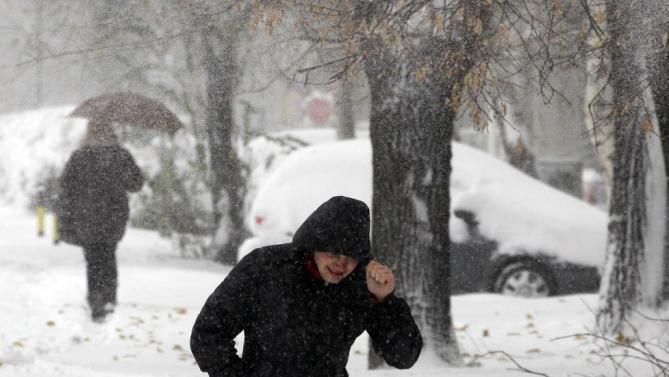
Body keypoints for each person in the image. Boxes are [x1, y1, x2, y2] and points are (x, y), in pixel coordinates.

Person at [190, 196, 423, 377]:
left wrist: (385, 301)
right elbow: (208, 334)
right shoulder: (265, 268)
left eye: (350, 256)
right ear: (314, 244)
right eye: (333, 252)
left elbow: (404, 356)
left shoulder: (360, 286)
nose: (341, 263)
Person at [58, 120, 144, 322]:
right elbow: (136, 183)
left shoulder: (79, 156)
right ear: (111, 132)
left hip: (86, 216)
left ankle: (96, 299)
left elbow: (65, 184)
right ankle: (109, 298)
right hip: (114, 216)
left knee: (93, 258)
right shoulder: (120, 155)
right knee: (108, 255)